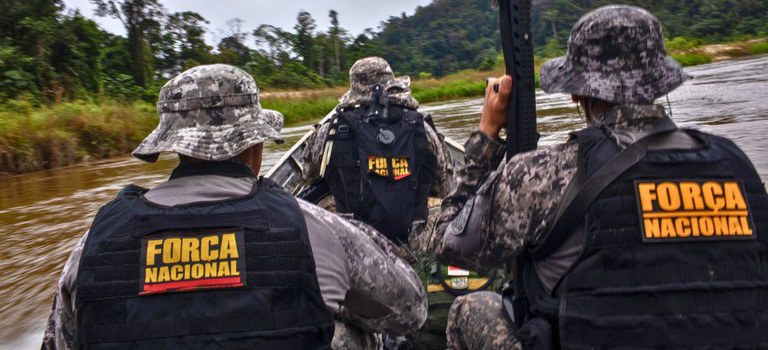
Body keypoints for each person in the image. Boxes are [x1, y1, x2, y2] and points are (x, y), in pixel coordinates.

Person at [434, 5, 768, 349]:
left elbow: (449, 242)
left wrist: (486, 135)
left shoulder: (542, 174)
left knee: (470, 308)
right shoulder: (736, 164)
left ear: (577, 92)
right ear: (660, 82)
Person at [41, 64, 427, 350]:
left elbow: (58, 341)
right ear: (255, 149)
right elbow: (411, 310)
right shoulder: (315, 231)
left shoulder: (92, 248)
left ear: (175, 146)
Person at [302, 56, 454, 258]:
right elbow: (446, 186)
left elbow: (308, 173)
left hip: (357, 246)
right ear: (392, 85)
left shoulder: (331, 130)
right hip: (414, 244)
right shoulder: (422, 127)